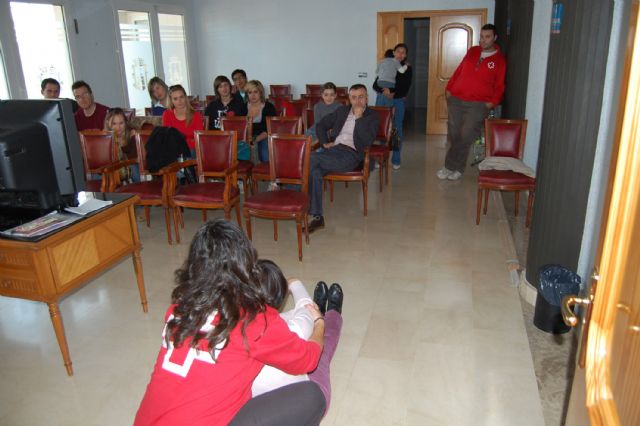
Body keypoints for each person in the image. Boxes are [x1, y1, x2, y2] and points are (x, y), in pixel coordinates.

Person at [134, 220, 324, 426]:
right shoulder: (253, 318)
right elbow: (308, 359)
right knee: (311, 396)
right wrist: (319, 323)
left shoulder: (179, 309)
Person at [231, 260, 343, 425]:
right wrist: (294, 283)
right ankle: (333, 314)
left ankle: (319, 311)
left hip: (256, 405)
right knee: (322, 348)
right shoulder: (292, 329)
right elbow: (305, 306)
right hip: (300, 394)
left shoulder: (233, 324)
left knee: (297, 318)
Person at [306, 84, 379, 233]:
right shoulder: (342, 111)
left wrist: (359, 119)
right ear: (349, 99)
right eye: (354, 97)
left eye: (361, 97)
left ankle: (287, 190)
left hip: (352, 154)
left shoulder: (372, 116)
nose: (357, 101)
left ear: (367, 98)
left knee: (309, 159)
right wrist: (325, 141)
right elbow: (321, 125)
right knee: (315, 172)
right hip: (333, 150)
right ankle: (318, 217)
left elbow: (367, 141)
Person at [437, 24, 506, 181]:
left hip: (479, 103)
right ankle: (457, 167)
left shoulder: (499, 60)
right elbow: (460, 70)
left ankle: (450, 166)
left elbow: (500, 85)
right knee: (454, 134)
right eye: (481, 36)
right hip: (456, 99)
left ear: (495, 38)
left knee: (466, 134)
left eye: (487, 36)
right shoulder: (473, 51)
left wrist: (492, 102)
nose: (483, 40)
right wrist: (449, 88)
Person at [373, 43, 412, 170]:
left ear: (406, 55)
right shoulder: (387, 63)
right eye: (398, 51)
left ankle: (396, 159)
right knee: (380, 128)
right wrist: (385, 91)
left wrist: (392, 93)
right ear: (394, 52)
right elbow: (375, 84)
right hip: (382, 97)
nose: (400, 54)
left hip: (398, 101)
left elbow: (405, 87)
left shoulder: (407, 68)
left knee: (397, 129)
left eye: (403, 52)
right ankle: (379, 158)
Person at [162, 84, 204, 154]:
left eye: (181, 97)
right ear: (171, 101)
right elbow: (167, 138)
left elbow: (199, 139)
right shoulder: (167, 114)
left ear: (185, 97)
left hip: (192, 150)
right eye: (175, 99)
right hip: (173, 150)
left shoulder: (196, 115)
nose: (179, 101)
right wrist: (188, 140)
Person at [245, 80, 277, 162]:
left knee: (265, 157)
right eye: (250, 92)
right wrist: (248, 140)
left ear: (261, 93)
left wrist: (254, 141)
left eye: (255, 92)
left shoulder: (269, 107)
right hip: (246, 138)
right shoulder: (243, 107)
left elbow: (270, 129)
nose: (253, 95)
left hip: (263, 136)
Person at [104, 107, 139, 182]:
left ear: (125, 123)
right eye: (114, 124)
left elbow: (135, 158)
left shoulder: (132, 134)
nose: (118, 127)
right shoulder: (105, 137)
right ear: (108, 123)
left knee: (135, 170)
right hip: (112, 167)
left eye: (121, 123)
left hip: (131, 165)